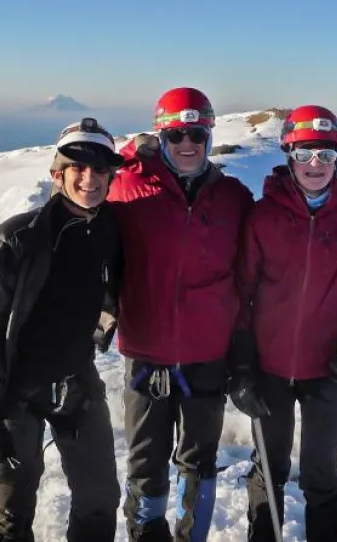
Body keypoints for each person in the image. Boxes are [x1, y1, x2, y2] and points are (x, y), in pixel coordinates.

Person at [230, 105, 337, 542]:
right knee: (269, 468)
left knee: (321, 472)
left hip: (331, 367)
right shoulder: (263, 215)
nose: (315, 165)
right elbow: (242, 295)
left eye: (325, 155)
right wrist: (242, 366)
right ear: (288, 152)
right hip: (268, 368)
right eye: (305, 153)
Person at [0, 117, 125, 542]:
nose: (89, 177)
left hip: (77, 380)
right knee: (13, 512)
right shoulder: (14, 241)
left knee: (100, 498)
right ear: (57, 174)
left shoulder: (109, 231)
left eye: (100, 167)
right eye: (77, 167)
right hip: (17, 393)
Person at [106, 87, 255, 542]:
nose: (186, 143)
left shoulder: (234, 198)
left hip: (208, 355)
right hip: (146, 353)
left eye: (196, 133)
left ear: (209, 135)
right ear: (161, 136)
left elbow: (254, 274)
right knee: (146, 462)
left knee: (199, 460)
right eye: (175, 135)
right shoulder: (125, 189)